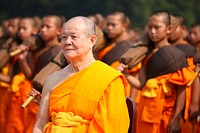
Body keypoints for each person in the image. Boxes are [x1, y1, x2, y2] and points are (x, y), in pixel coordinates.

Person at [32, 16, 129, 133]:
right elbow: (39, 125)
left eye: (74, 37)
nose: (67, 42)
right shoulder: (52, 79)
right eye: (64, 37)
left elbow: (112, 128)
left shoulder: (109, 78)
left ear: (92, 40)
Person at [117, 10, 196, 133]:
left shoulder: (176, 55)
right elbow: (141, 84)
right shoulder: (147, 54)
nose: (153, 32)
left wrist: (176, 118)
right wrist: (126, 74)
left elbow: (181, 90)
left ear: (169, 28)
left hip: (166, 112)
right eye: (150, 27)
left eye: (157, 27)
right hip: (146, 110)